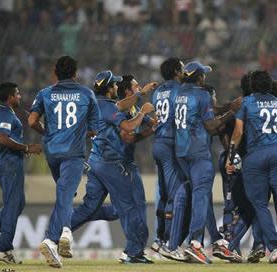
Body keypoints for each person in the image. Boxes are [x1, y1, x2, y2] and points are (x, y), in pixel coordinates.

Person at [70, 71, 156, 264]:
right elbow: (128, 135)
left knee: (92, 207)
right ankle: (133, 251)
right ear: (114, 89)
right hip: (115, 162)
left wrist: (150, 122)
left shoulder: (111, 104)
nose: (137, 88)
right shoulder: (116, 108)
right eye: (134, 86)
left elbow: (139, 118)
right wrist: (144, 114)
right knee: (131, 206)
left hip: (98, 160)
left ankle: (57, 231)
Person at [226, 70, 277, 264]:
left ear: (252, 86)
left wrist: (231, 155)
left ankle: (276, 247)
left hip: (254, 157)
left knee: (259, 204)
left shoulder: (247, 103)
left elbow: (238, 131)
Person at [28, 56, 99, 268]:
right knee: (66, 193)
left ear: (54, 73)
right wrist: (76, 133)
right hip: (73, 152)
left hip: (52, 152)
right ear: (76, 73)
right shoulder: (86, 94)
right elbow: (95, 128)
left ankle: (63, 233)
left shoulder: (45, 93)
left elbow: (31, 121)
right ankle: (54, 237)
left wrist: (48, 133)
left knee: (64, 192)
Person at [174, 61, 237, 264]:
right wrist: (232, 113)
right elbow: (210, 126)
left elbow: (208, 111)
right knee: (201, 196)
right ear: (199, 77)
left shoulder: (178, 93)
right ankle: (195, 244)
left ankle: (217, 241)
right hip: (198, 152)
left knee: (202, 197)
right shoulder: (202, 94)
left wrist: (227, 107)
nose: (205, 78)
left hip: (181, 152)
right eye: (204, 75)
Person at [0, 82, 42, 264]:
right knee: (14, 204)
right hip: (9, 163)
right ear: (10, 97)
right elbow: (2, 138)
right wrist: (26, 147)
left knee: (18, 203)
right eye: (18, 94)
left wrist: (16, 147)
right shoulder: (5, 113)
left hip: (1, 161)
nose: (20, 97)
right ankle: (4, 248)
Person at [150, 57, 186, 252]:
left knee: (163, 194)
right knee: (173, 195)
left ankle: (158, 239)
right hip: (171, 143)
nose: (184, 71)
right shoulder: (179, 90)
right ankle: (168, 242)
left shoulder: (157, 92)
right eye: (181, 68)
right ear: (175, 71)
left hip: (158, 143)